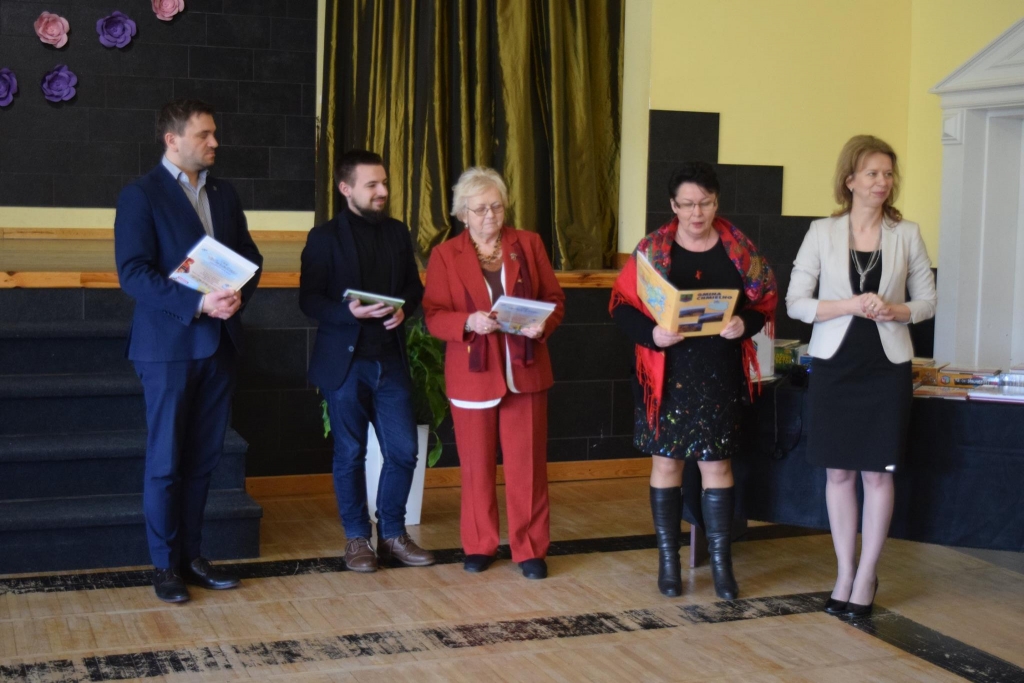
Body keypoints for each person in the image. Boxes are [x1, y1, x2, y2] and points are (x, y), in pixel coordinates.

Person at [114, 99, 263, 603]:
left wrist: (237, 293)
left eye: (214, 133)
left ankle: (192, 557)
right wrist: (199, 303)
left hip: (220, 344)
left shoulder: (224, 192)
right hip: (168, 348)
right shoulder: (141, 195)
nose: (215, 142)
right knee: (165, 461)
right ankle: (164, 567)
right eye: (203, 134)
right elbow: (133, 273)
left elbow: (250, 256)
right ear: (172, 140)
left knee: (203, 460)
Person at [610, 162, 777, 599]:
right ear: (673, 205)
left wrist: (744, 324)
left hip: (718, 371)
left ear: (717, 202)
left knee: (717, 465)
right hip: (666, 375)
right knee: (666, 463)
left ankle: (721, 565)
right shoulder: (652, 250)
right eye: (687, 204)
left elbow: (764, 302)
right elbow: (620, 305)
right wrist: (652, 334)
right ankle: (669, 562)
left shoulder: (739, 249)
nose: (696, 213)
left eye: (705, 203)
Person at [787, 135, 936, 616]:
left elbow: (927, 301)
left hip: (886, 366)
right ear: (849, 180)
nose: (882, 182)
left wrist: (895, 310)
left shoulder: (906, 233)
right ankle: (844, 572)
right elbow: (796, 303)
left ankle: (868, 575)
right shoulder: (821, 232)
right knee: (838, 472)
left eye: (888, 174)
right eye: (872, 173)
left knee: (877, 473)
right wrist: (850, 305)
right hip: (835, 364)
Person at [422, 167, 564, 580]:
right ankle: (479, 544)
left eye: (497, 207)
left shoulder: (528, 244)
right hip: (472, 373)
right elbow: (433, 315)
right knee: (476, 467)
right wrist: (468, 321)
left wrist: (543, 325)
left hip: (525, 370)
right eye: (481, 209)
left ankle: (530, 548)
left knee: (528, 466)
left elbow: (554, 299)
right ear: (462, 214)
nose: (490, 216)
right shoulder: (445, 255)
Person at [300, 149, 435, 573]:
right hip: (345, 364)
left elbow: (413, 288)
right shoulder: (324, 237)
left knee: (404, 451)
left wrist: (404, 309)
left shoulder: (397, 232)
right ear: (346, 188)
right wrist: (348, 313)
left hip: (390, 360)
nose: (382, 191)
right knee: (350, 453)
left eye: (384, 183)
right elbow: (308, 300)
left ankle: (392, 535)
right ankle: (357, 539)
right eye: (372, 184)